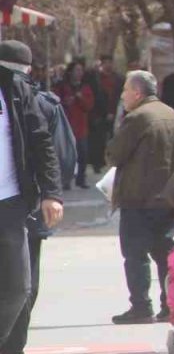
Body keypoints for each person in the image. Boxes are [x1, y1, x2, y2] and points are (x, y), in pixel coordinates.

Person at [106, 71, 174, 325]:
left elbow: (114, 154)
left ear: (137, 93)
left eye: (125, 90)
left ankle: (141, 306)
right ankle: (169, 304)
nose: (122, 95)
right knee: (164, 252)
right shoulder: (171, 114)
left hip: (138, 198)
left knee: (135, 254)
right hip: (167, 198)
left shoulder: (138, 117)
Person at [0, 42, 62, 354]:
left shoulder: (13, 88)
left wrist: (51, 193)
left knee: (18, 287)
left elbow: (41, 141)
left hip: (9, 203)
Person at [55, 61, 94, 189]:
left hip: (81, 127)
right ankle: (66, 180)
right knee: (67, 155)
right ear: (70, 71)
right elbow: (56, 103)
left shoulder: (86, 87)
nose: (79, 73)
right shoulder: (62, 86)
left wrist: (80, 97)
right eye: (77, 70)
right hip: (66, 126)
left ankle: (81, 179)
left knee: (83, 154)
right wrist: (65, 102)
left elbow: (89, 106)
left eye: (81, 70)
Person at [88, 56, 122, 176]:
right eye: (106, 63)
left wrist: (113, 112)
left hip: (114, 112)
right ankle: (97, 163)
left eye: (110, 63)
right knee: (98, 139)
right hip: (98, 114)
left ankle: (111, 162)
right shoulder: (96, 78)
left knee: (113, 139)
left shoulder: (118, 78)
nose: (108, 65)